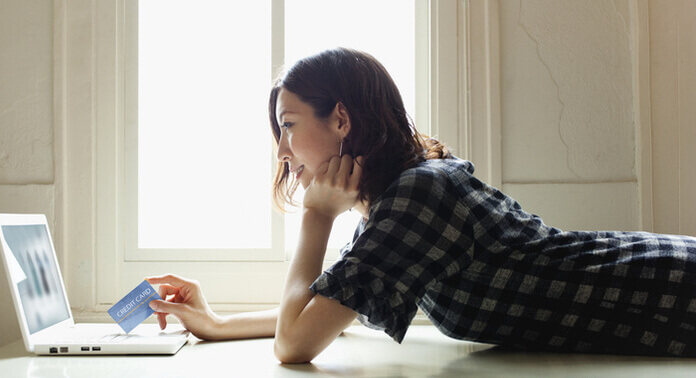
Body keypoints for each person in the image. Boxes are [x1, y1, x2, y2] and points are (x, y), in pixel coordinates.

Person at [147, 48, 696, 363]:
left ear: (341, 119)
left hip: (670, 290)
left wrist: (316, 216)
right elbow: (338, 308)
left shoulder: (418, 196)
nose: (283, 150)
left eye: (289, 126)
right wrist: (215, 324)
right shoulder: (394, 204)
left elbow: (296, 344)